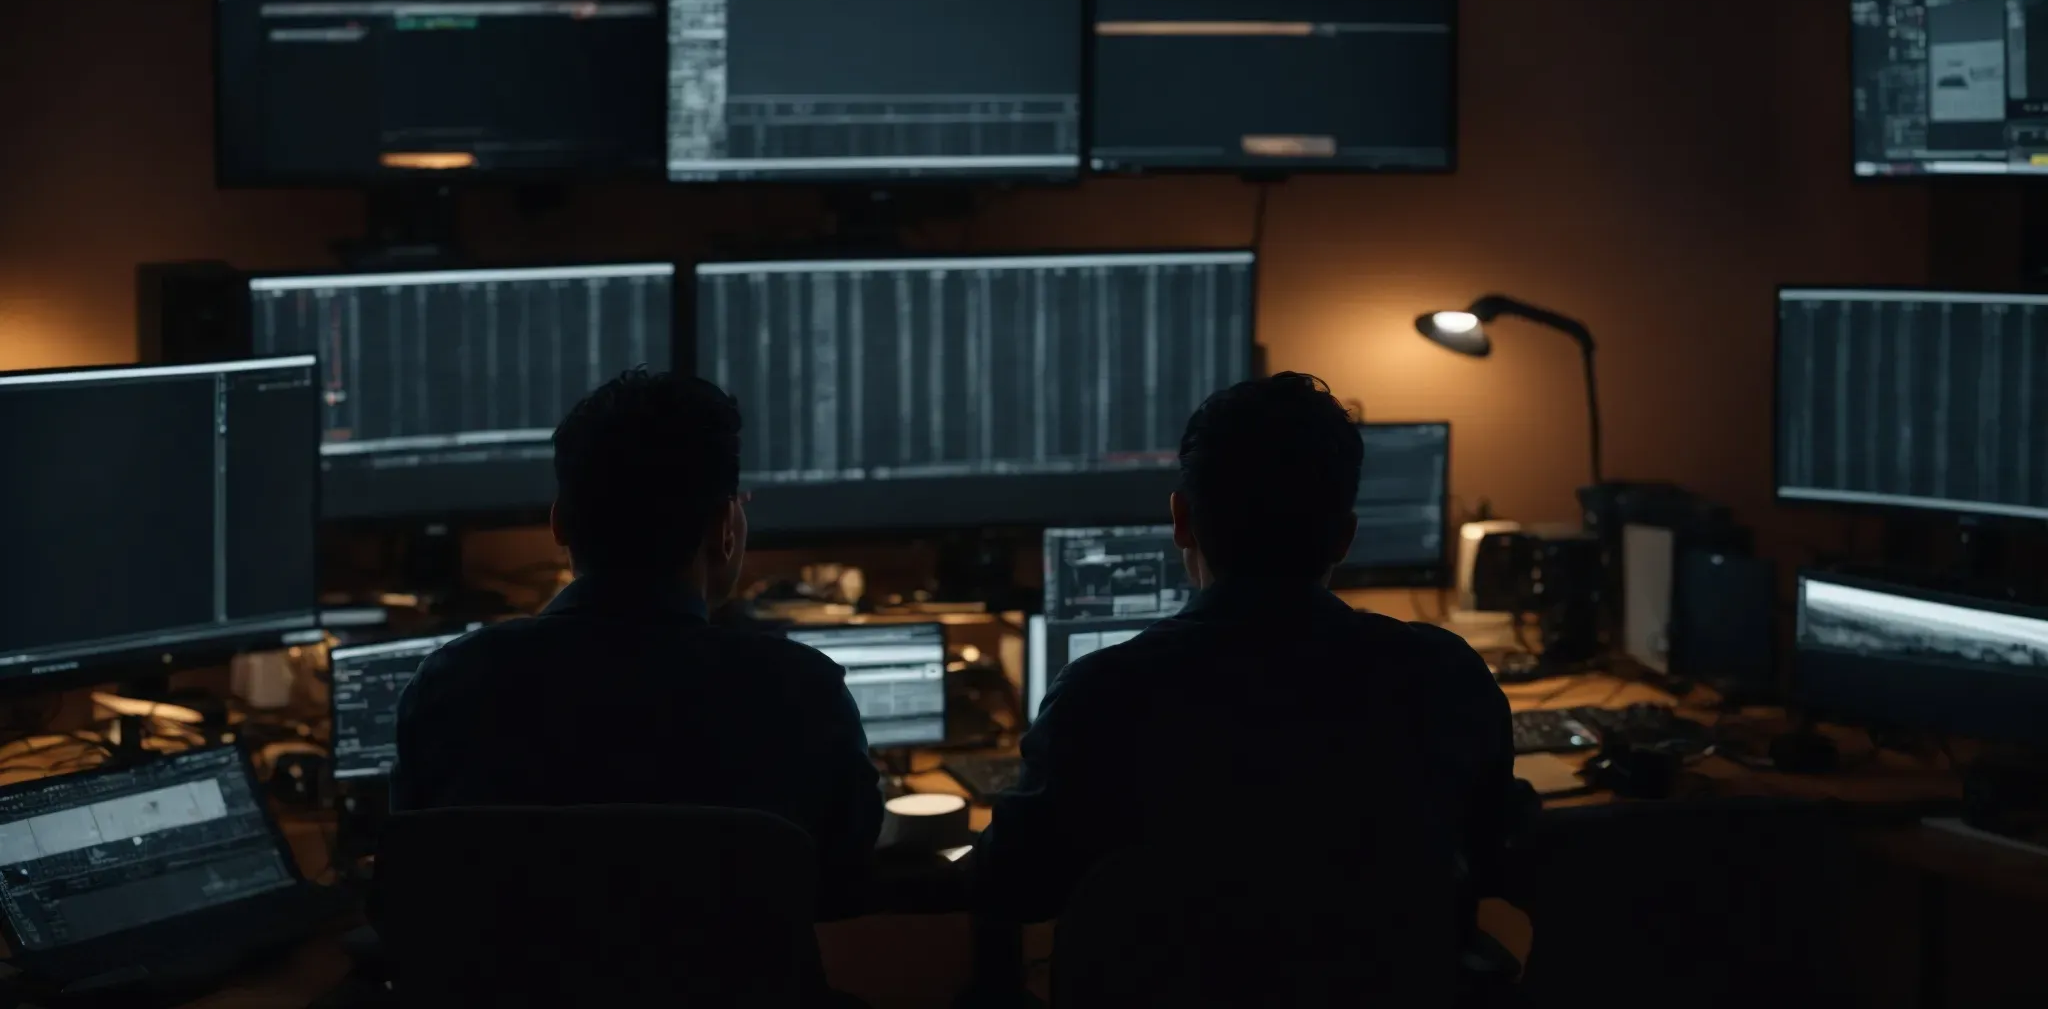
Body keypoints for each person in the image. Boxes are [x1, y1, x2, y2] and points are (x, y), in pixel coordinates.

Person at [972, 372, 1517, 990]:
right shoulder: (1445, 676)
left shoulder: (1102, 694)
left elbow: (1013, 885)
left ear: (1181, 520)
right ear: (1345, 536)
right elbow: (1498, 851)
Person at [390, 370, 882, 917]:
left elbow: (409, 890)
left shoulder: (450, 686)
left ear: (560, 525)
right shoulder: (804, 694)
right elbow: (847, 887)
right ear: (724, 527)